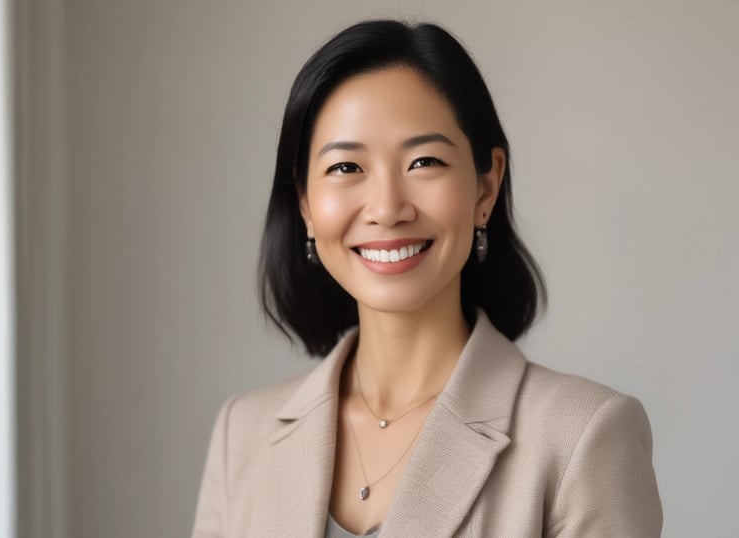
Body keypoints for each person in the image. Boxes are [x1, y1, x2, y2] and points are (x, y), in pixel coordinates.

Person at [192, 19, 662, 537]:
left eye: (424, 161)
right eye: (346, 168)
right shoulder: (243, 434)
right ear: (305, 203)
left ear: (486, 187)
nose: (387, 208)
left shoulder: (584, 436)